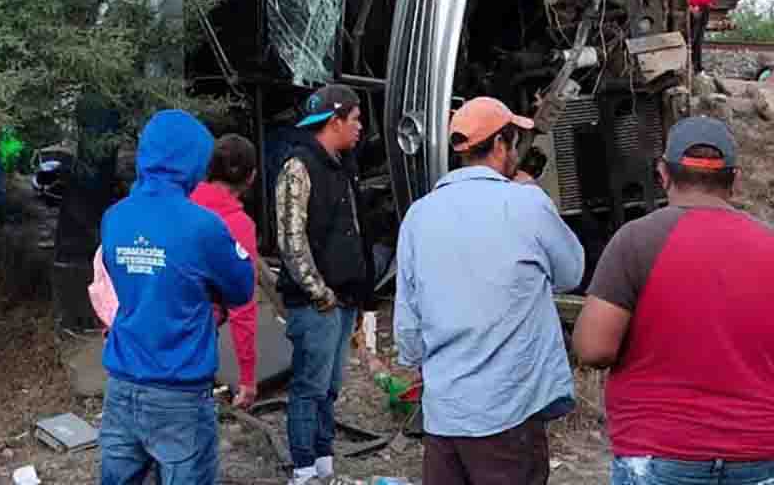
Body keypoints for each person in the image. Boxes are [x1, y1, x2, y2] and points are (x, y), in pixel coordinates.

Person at [574, 116, 774, 485]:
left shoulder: (634, 242)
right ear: (736, 179)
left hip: (658, 451)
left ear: (663, 173)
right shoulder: (769, 246)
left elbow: (593, 349)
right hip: (759, 452)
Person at [395, 97, 585, 485]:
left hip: (444, 415)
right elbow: (572, 272)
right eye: (514, 142)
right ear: (501, 144)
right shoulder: (526, 204)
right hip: (508, 411)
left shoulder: (419, 215)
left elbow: (408, 328)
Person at [99, 110, 255, 485]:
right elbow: (241, 288)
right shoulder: (203, 225)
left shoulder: (114, 217)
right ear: (192, 161)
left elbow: (126, 283)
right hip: (179, 393)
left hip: (121, 386)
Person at [275, 84, 369, 485]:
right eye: (355, 119)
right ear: (334, 121)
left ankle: (324, 459)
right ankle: (304, 468)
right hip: (318, 303)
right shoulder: (298, 167)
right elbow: (291, 239)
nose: (361, 127)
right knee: (309, 387)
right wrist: (319, 292)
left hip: (342, 299)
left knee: (328, 386)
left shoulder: (340, 165)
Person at [191, 134, 259, 409]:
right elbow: (242, 308)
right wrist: (247, 377)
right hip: (194, 335)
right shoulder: (237, 225)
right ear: (251, 177)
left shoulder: (179, 204)